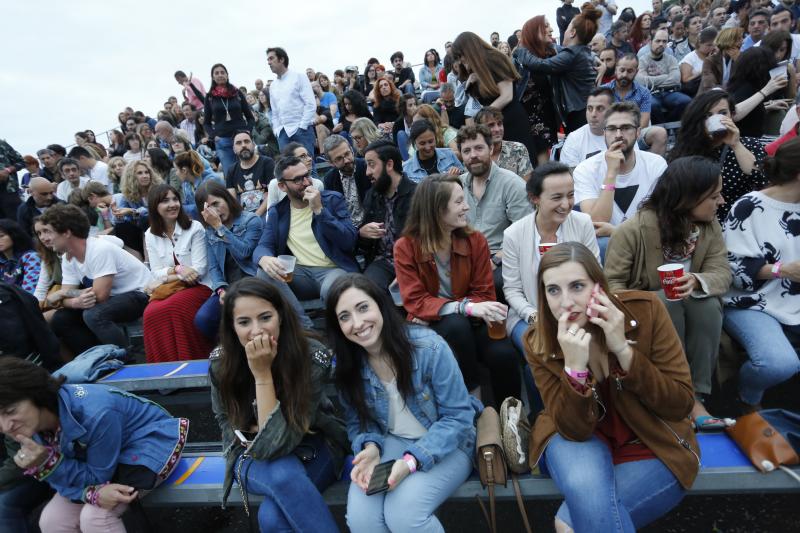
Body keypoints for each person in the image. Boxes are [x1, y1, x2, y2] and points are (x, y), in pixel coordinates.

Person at [524, 241, 698, 532]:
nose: (566, 302)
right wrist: (575, 371)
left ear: (598, 286)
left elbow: (680, 403)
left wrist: (623, 351)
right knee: (581, 499)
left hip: (651, 439)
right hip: (578, 438)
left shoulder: (646, 310)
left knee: (568, 525)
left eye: (577, 286)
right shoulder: (538, 341)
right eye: (553, 290)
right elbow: (574, 429)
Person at [326, 273, 480, 532]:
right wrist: (371, 446)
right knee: (362, 520)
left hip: (449, 443)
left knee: (404, 515)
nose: (358, 323)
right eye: (345, 317)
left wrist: (411, 462)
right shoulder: (348, 365)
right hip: (392, 440)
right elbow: (358, 422)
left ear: (381, 306)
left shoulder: (429, 348)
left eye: (363, 308)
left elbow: (458, 418)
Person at [209, 277, 348, 531]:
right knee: (282, 474)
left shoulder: (312, 356)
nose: (257, 330)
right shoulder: (221, 362)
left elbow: (279, 442)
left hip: (313, 442)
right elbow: (227, 421)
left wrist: (262, 375)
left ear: (281, 316)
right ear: (232, 326)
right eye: (243, 322)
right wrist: (249, 435)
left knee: (272, 518)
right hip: (248, 453)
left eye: (265, 317)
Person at [605, 156, 733, 430]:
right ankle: (670, 395)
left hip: (693, 312)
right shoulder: (633, 230)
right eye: (713, 196)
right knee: (668, 303)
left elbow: (722, 273)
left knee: (706, 304)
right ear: (688, 198)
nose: (721, 201)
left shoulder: (709, 228)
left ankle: (694, 396)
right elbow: (612, 286)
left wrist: (696, 280)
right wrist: (652, 299)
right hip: (642, 315)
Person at [0, 357, 187, 533]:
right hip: (94, 464)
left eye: (10, 411)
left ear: (35, 395)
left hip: (144, 445)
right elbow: (60, 480)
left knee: (96, 517)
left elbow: (97, 476)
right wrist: (88, 494)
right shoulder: (28, 426)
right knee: (52, 520)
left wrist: (48, 464)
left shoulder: (95, 412)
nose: (5, 426)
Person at [394, 174, 521, 407]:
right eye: (459, 202)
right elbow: (415, 301)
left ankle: (513, 415)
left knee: (503, 353)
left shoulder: (475, 241)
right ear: (437, 209)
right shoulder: (406, 247)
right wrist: (464, 307)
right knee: (455, 325)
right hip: (436, 325)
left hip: (474, 321)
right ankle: (474, 405)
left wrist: (465, 308)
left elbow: (485, 294)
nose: (466, 207)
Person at [502, 162, 599, 410]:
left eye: (570, 195)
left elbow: (596, 274)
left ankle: (585, 407)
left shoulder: (582, 223)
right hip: (529, 314)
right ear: (535, 198)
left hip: (577, 308)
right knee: (541, 352)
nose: (566, 204)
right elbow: (512, 289)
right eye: (556, 197)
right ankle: (544, 418)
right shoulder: (514, 234)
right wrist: (534, 315)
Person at [723, 137, 800, 413]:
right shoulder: (750, 206)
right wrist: (783, 270)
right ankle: (746, 399)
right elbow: (734, 273)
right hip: (752, 302)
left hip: (793, 301)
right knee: (778, 363)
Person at [254, 155, 358, 329]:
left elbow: (349, 241)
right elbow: (263, 246)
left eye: (307, 175)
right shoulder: (277, 212)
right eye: (297, 180)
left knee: (331, 289)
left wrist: (319, 210)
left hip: (333, 270)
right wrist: (264, 258)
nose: (306, 182)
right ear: (282, 186)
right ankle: (306, 329)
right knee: (263, 272)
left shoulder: (331, 200)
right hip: (301, 275)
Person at [39, 204, 152, 357]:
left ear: (66, 232)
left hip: (140, 293)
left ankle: (125, 358)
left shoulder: (99, 249)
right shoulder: (68, 257)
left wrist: (64, 294)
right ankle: (95, 360)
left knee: (94, 314)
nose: (44, 239)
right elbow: (64, 299)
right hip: (114, 299)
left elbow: (98, 297)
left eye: (47, 232)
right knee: (61, 318)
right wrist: (72, 301)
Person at [573, 102, 668, 257]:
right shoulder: (586, 169)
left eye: (625, 128)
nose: (618, 134)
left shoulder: (655, 164)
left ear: (638, 132)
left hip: (648, 242)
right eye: (611, 128)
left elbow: (660, 221)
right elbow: (596, 222)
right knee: (602, 244)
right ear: (604, 132)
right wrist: (611, 172)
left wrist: (617, 231)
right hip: (608, 247)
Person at [669, 90, 767, 223]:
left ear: (732, 115)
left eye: (723, 113)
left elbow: (763, 180)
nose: (716, 119)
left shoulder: (749, 144)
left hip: (743, 220)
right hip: (702, 223)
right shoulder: (686, 149)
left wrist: (736, 144)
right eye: (708, 115)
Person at [143, 184, 213, 362]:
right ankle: (162, 373)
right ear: (155, 206)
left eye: (175, 199)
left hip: (200, 286)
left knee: (174, 307)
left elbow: (199, 270)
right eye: (165, 201)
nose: (172, 204)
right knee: (150, 313)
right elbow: (156, 272)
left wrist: (165, 278)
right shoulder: (150, 235)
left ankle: (192, 362)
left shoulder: (194, 227)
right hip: (173, 287)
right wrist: (178, 269)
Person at [458, 124, 532, 292]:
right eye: (467, 151)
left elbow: (525, 233)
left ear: (491, 149)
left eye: (478, 148)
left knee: (493, 282)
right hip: (464, 257)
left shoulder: (512, 184)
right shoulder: (457, 186)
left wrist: (494, 262)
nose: (473, 155)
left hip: (501, 258)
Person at [513, 4, 602, 133]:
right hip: (579, 109)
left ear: (572, 33)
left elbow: (541, 65)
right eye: (546, 26)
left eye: (566, 29)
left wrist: (520, 51)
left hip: (579, 113)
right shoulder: (578, 52)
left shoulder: (569, 54)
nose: (553, 30)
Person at [192, 181, 263, 342]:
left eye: (216, 203)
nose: (215, 211)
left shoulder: (251, 221)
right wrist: (220, 290)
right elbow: (214, 267)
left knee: (239, 314)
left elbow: (244, 252)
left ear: (227, 199)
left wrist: (219, 227)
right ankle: (230, 349)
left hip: (252, 281)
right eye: (209, 208)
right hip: (228, 287)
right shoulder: (209, 232)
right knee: (203, 319)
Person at [452, 31, 538, 159]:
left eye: (460, 55)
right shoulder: (473, 70)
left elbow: (507, 96)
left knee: (522, 165)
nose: (460, 60)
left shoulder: (495, 58)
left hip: (511, 121)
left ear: (468, 49)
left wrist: (483, 118)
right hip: (494, 125)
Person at [358, 140, 416, 290]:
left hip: (414, 263)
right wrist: (362, 233)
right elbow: (363, 246)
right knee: (368, 290)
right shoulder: (372, 195)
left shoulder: (417, 194)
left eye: (372, 164)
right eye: (366, 165)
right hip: (382, 262)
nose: (367, 172)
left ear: (389, 165)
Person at [516, 16, 559, 165]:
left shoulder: (552, 54)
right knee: (540, 168)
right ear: (534, 32)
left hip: (549, 118)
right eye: (546, 26)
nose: (551, 29)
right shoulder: (519, 60)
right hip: (526, 123)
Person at [267, 47, 318, 160]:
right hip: (283, 134)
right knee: (288, 171)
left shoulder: (299, 77)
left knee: (308, 168)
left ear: (281, 59)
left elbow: (310, 104)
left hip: (301, 130)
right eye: (268, 60)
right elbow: (274, 112)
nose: (269, 62)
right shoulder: (273, 86)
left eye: (271, 58)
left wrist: (302, 126)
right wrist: (277, 130)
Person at [204, 63, 256, 175]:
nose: (220, 75)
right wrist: (214, 136)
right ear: (213, 77)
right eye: (216, 73)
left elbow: (250, 118)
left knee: (250, 170)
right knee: (231, 174)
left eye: (222, 72)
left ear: (227, 75)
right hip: (223, 142)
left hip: (242, 140)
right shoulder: (209, 97)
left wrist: (248, 131)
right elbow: (206, 123)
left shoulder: (237, 93)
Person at [637, 29, 692, 123]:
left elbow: (675, 80)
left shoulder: (671, 59)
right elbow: (642, 81)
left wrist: (652, 81)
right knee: (652, 105)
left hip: (669, 93)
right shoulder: (643, 60)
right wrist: (666, 77)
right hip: (651, 94)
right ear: (650, 42)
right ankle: (662, 131)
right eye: (658, 41)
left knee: (686, 101)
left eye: (664, 41)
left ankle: (668, 125)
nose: (661, 44)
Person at [322, 135, 371, 228]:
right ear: (331, 163)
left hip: (372, 225)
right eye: (339, 158)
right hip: (348, 230)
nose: (346, 160)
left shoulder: (367, 167)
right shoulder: (330, 179)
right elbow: (334, 212)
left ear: (352, 150)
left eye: (347, 154)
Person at [475, 107, 534, 181]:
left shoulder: (518, 149)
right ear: (479, 129)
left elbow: (527, 186)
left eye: (499, 124)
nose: (497, 129)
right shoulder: (474, 155)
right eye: (491, 125)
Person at [560, 88, 614, 168]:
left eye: (600, 109)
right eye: (590, 109)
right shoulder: (574, 139)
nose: (593, 114)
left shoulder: (623, 134)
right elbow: (571, 177)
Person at [224, 130, 275, 217]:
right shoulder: (231, 170)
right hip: (244, 217)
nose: (243, 145)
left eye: (247, 141)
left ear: (253, 144)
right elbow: (232, 201)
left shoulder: (267, 163)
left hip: (267, 213)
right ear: (234, 149)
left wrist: (255, 217)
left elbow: (273, 194)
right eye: (239, 143)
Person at [174, 150, 224, 220]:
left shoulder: (210, 181)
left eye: (176, 170)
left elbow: (204, 208)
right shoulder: (186, 184)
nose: (175, 174)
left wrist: (178, 207)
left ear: (184, 170)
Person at [0, 219, 41, 295]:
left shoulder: (31, 257)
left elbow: (29, 292)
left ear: (14, 235)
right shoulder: (1, 262)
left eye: (1, 236)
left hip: (24, 303)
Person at [699, 27, 744, 94]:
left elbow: (746, 82)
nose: (742, 41)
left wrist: (739, 61)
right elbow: (709, 86)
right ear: (729, 42)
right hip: (711, 98)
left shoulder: (741, 57)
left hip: (732, 97)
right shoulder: (710, 61)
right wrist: (732, 88)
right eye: (739, 39)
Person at [391, 94, 418, 160]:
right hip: (406, 153)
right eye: (410, 105)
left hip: (419, 148)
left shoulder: (421, 119)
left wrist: (415, 121)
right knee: (401, 134)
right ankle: (408, 164)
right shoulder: (398, 123)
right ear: (404, 108)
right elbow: (396, 145)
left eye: (415, 104)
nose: (414, 107)